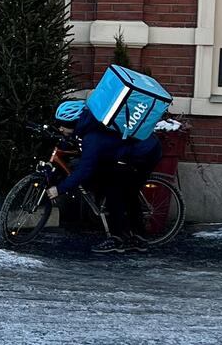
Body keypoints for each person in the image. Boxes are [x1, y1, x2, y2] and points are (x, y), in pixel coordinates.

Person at [45, 97, 162, 253]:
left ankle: (123, 239)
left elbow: (85, 169)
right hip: (125, 153)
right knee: (112, 184)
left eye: (63, 126)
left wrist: (59, 189)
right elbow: (75, 142)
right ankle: (130, 235)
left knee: (122, 193)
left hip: (143, 154)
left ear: (74, 123)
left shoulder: (92, 137)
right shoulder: (88, 124)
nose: (60, 129)